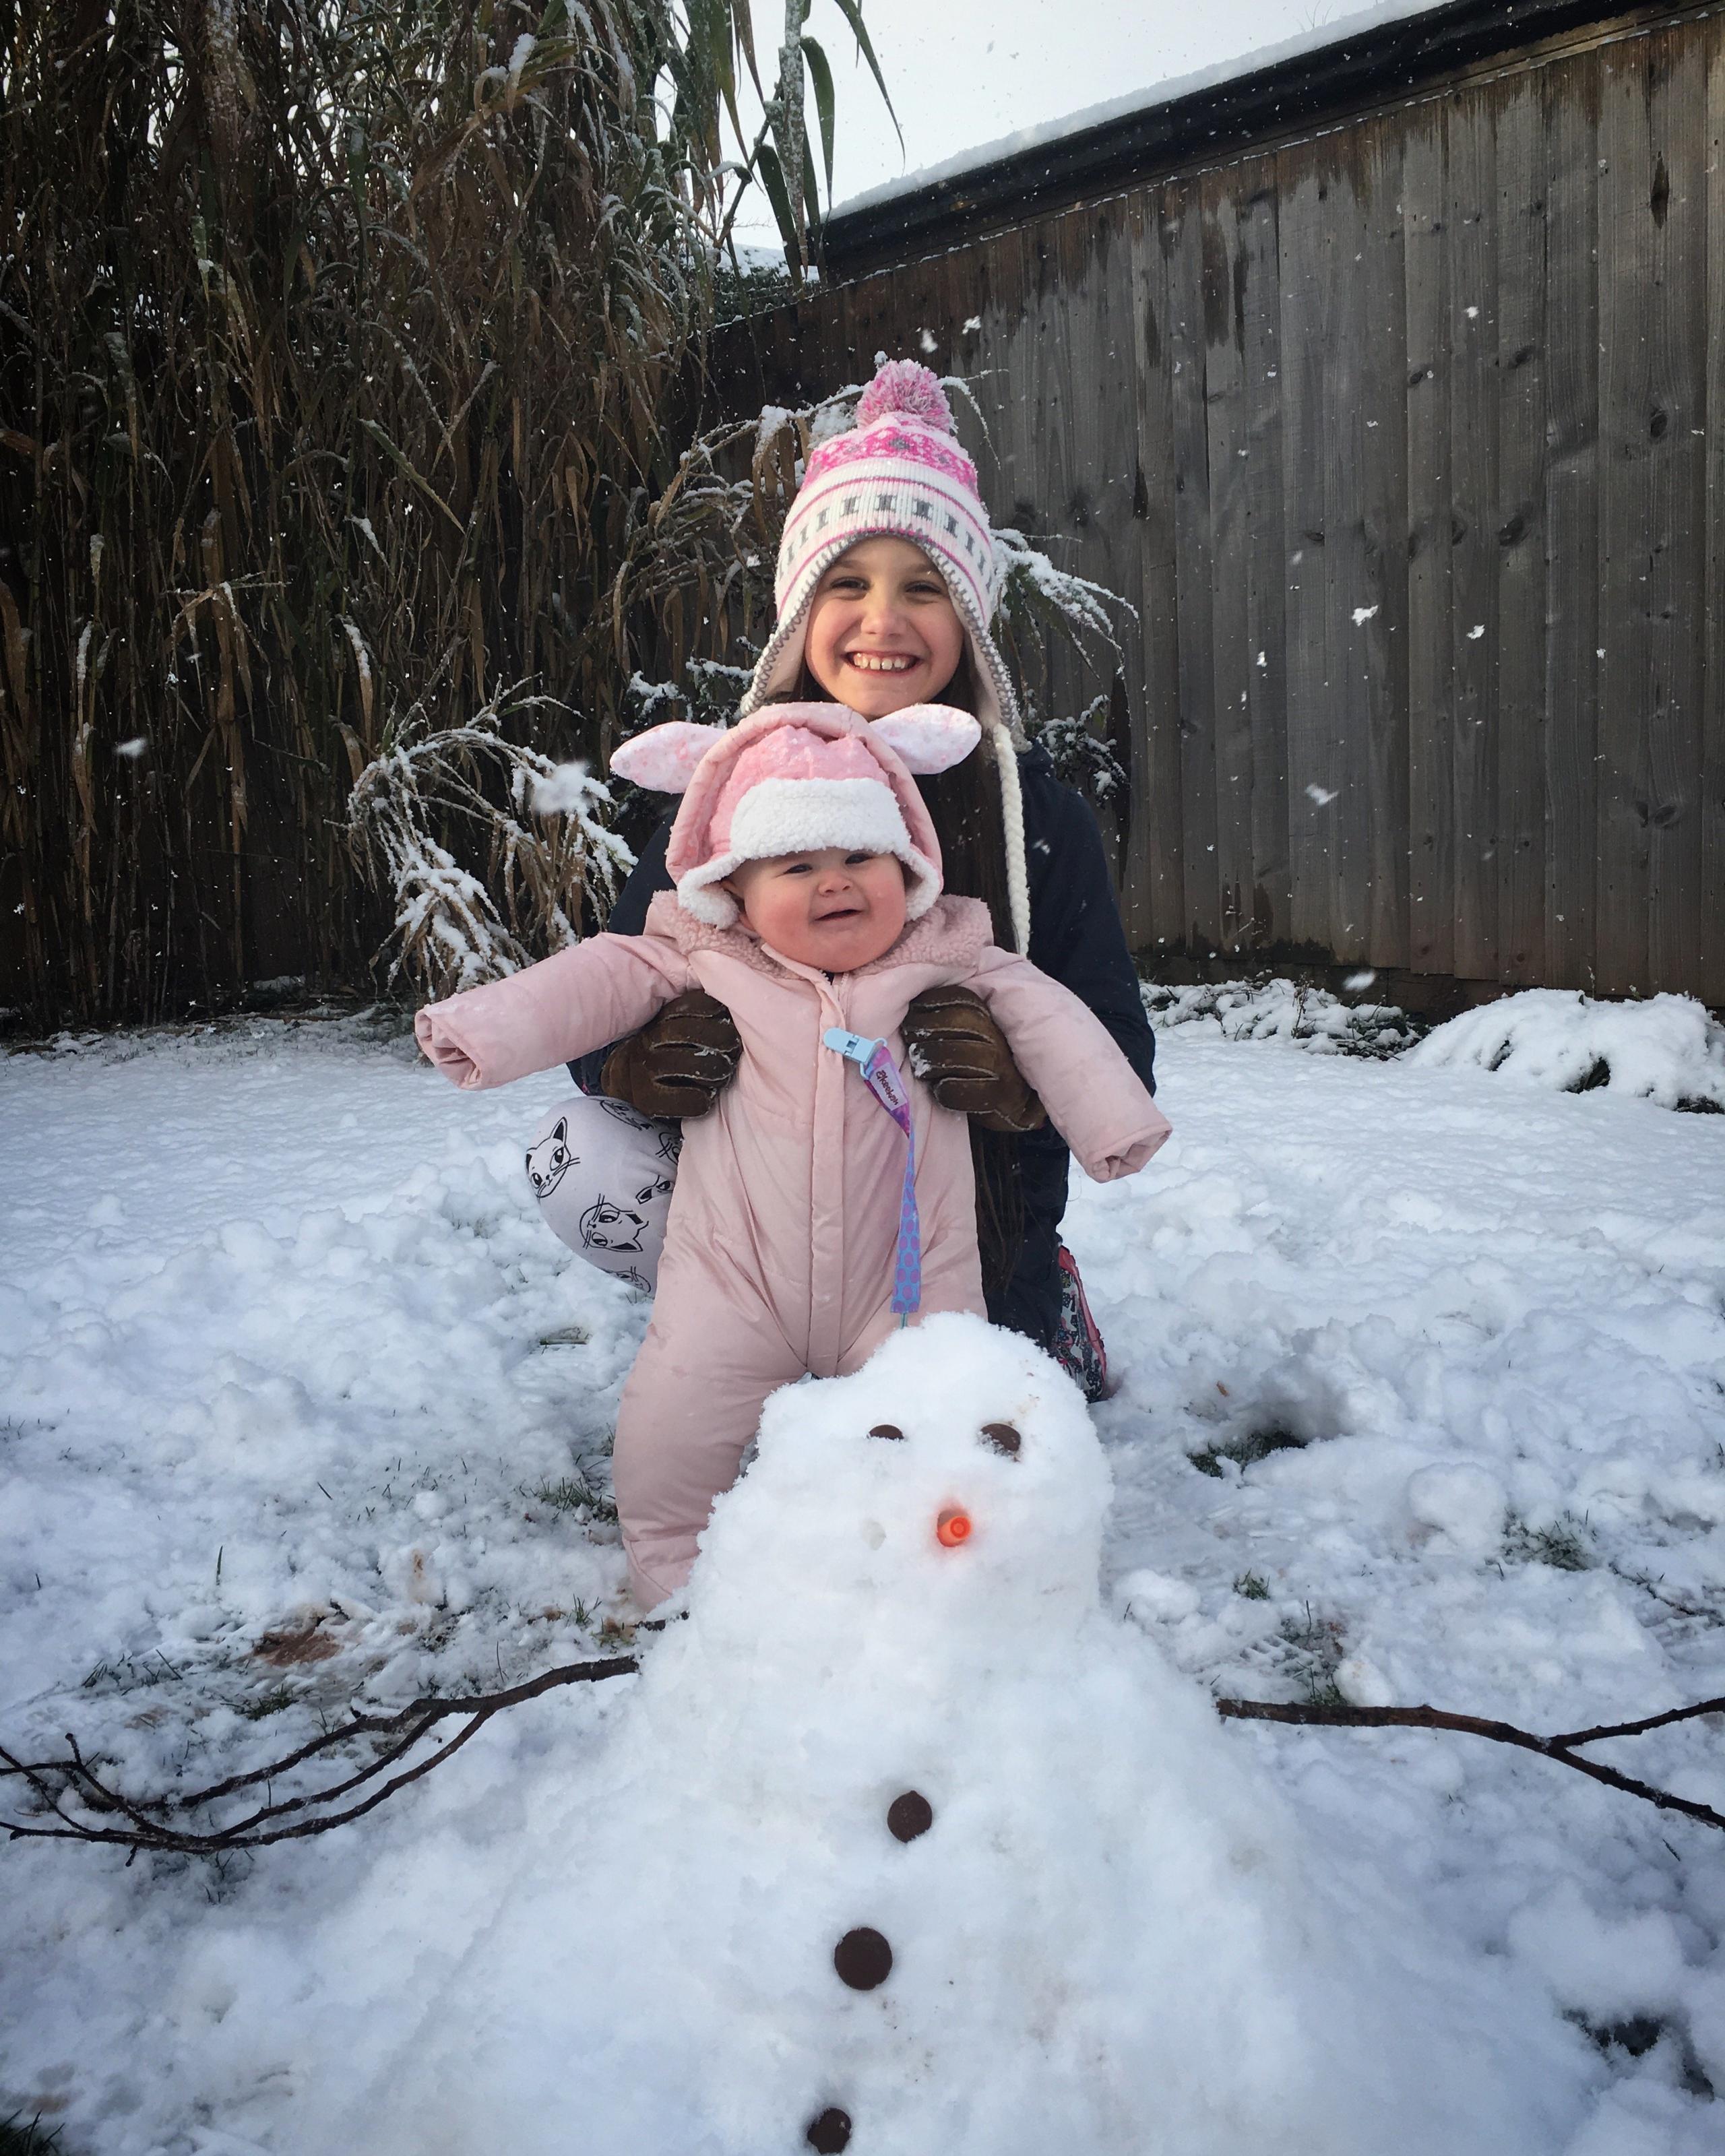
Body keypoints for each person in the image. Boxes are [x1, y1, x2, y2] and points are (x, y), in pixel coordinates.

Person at [417, 703, 1170, 1608]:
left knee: (949, 1423)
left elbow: (1058, 1020)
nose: (835, 883)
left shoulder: (950, 954)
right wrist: (487, 1032)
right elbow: (598, 976)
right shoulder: (702, 951)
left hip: (909, 1282)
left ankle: (936, 1582)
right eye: (799, 865)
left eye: (861, 858)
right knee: (672, 1424)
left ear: (910, 868)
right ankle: (676, 1575)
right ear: (735, 887)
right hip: (735, 1280)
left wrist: (1107, 1119)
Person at [532, 356, 1159, 1401]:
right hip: (766, 1221)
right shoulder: (732, 786)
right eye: (847, 584)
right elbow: (616, 974)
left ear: (969, 619)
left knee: (966, 1462)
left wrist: (1014, 1080)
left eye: (925, 587)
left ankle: (1037, 1300)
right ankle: (738, 1320)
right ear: (797, 613)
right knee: (583, 1151)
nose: (884, 619)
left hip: (968, 1233)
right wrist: (633, 1060)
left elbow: (1119, 1048)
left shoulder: (1034, 817)